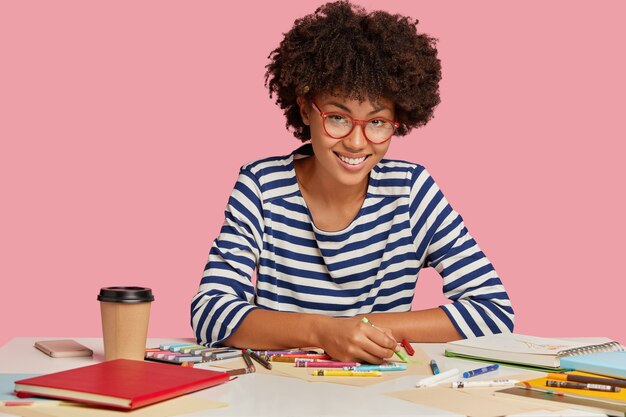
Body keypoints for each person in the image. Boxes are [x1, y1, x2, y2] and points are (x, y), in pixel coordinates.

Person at [191, 1, 514, 364]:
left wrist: (361, 327)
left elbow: (493, 310)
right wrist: (324, 332)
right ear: (304, 109)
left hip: (379, 393)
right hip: (277, 390)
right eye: (338, 118)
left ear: (398, 120)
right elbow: (210, 312)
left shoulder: (410, 191)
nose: (357, 143)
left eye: (377, 123)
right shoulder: (262, 187)